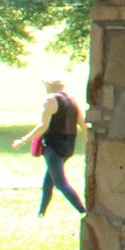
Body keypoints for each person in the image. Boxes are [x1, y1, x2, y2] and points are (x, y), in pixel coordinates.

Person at [19, 78, 85, 216]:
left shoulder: (50, 100)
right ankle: (41, 213)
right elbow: (82, 124)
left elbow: (43, 126)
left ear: (49, 86)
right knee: (48, 181)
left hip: (54, 147)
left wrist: (23, 140)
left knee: (60, 183)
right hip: (68, 147)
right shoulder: (72, 100)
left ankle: (83, 212)